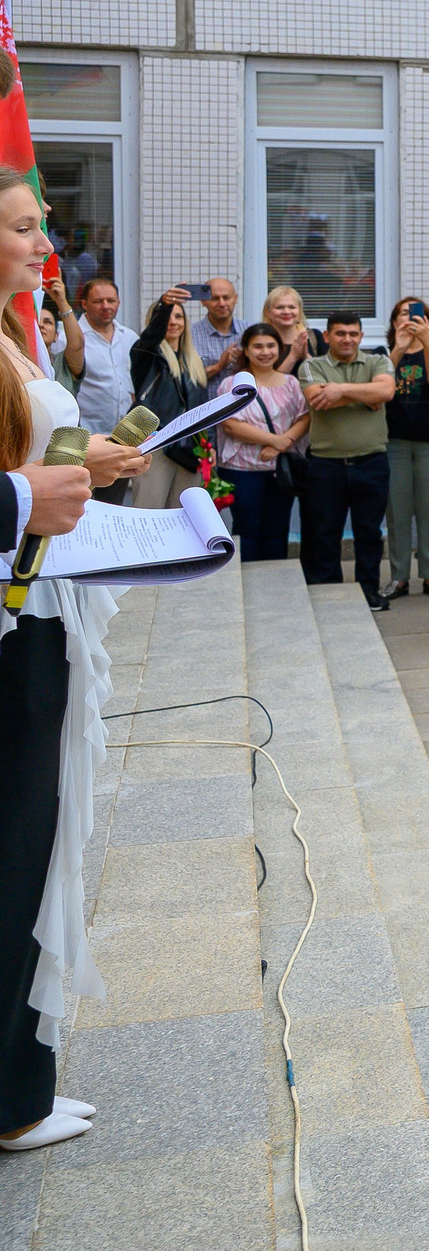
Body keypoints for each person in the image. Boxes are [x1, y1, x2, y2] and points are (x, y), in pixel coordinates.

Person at [0, 168, 146, 1153]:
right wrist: (21, 501)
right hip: (15, 626)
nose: (39, 245)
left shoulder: (13, 331)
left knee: (28, 847)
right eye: (19, 226)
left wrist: (85, 464)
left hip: (33, 613)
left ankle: (19, 1085)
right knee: (15, 850)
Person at [299, 311, 395, 608]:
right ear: (327, 336)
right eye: (340, 333)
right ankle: (328, 594)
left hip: (372, 462)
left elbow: (386, 391)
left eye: (353, 334)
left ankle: (369, 592)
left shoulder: (379, 361)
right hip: (326, 464)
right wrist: (367, 397)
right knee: (325, 533)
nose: (347, 339)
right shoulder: (312, 366)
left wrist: (340, 389)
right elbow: (317, 399)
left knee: (369, 533)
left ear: (362, 336)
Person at [217, 324, 309, 561]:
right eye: (257, 346)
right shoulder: (232, 384)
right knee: (247, 529)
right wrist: (276, 440)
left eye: (271, 345)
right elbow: (231, 425)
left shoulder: (291, 383)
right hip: (242, 471)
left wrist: (284, 443)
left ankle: (274, 589)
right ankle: (246, 585)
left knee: (277, 531)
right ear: (246, 350)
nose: (265, 352)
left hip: (281, 470)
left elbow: (305, 416)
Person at [382, 297, 429, 599]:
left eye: (417, 315)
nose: (409, 320)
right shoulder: (382, 354)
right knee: (397, 511)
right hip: (394, 440)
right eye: (403, 314)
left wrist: (427, 342)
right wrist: (399, 348)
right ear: (394, 321)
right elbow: (383, 382)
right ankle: (398, 577)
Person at [127, 293, 208, 508]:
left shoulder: (193, 362)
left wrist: (209, 446)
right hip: (156, 444)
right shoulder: (146, 354)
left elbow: (202, 408)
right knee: (148, 513)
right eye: (167, 317)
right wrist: (165, 304)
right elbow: (151, 336)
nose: (173, 322)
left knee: (184, 517)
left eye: (179, 317)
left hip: (188, 449)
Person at [52, 277, 136, 436]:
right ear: (84, 304)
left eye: (111, 300)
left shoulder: (130, 338)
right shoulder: (68, 339)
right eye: (98, 301)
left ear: (119, 302)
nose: (106, 306)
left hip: (126, 435)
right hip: (88, 435)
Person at [192, 278, 244, 380]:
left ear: (236, 298)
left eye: (226, 297)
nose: (221, 304)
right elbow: (184, 380)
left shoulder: (249, 331)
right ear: (203, 301)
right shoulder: (190, 335)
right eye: (215, 298)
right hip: (206, 396)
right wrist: (219, 366)